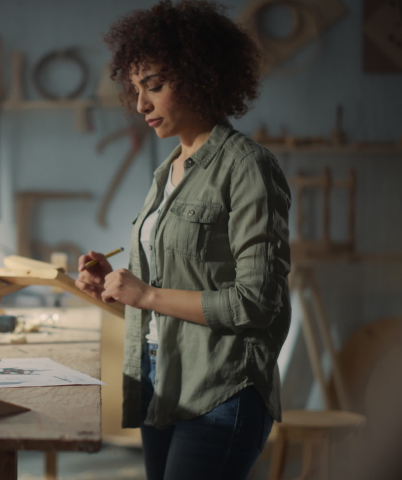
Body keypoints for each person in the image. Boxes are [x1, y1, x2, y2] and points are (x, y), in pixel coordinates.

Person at [75, 1, 292, 479]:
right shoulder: (166, 173)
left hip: (222, 388)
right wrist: (114, 289)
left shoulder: (247, 167)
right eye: (135, 89)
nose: (140, 105)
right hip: (163, 381)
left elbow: (257, 303)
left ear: (202, 76)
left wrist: (146, 293)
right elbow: (172, 298)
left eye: (154, 86)